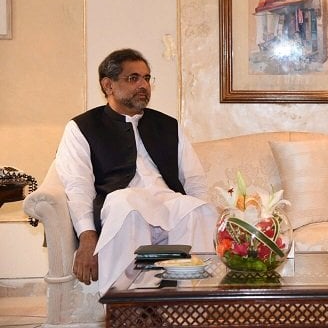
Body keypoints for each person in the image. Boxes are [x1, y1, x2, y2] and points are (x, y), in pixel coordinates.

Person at [55, 48, 216, 295]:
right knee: (127, 203)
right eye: (133, 78)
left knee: (196, 209)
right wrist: (87, 237)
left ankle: (189, 306)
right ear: (108, 85)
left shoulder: (167, 125)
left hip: (165, 203)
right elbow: (78, 185)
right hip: (120, 205)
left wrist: (210, 216)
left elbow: (194, 179)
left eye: (147, 78)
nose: (143, 85)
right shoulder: (83, 127)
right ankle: (129, 308)